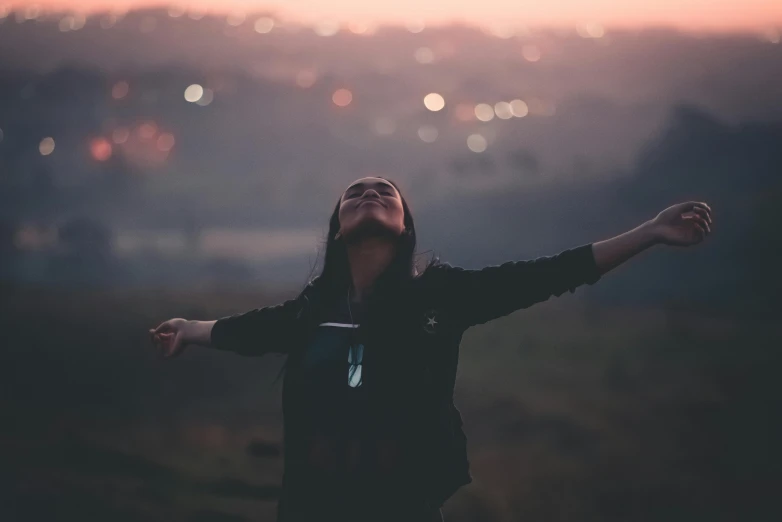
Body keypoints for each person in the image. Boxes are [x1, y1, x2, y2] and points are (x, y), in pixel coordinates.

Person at [149, 176, 713, 522]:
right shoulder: (312, 310)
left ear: (404, 226)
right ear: (337, 228)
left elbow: (547, 275)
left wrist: (648, 233)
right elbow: (254, 330)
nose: (370, 193)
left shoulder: (441, 297)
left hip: (404, 509)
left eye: (384, 192)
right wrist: (189, 327)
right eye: (355, 192)